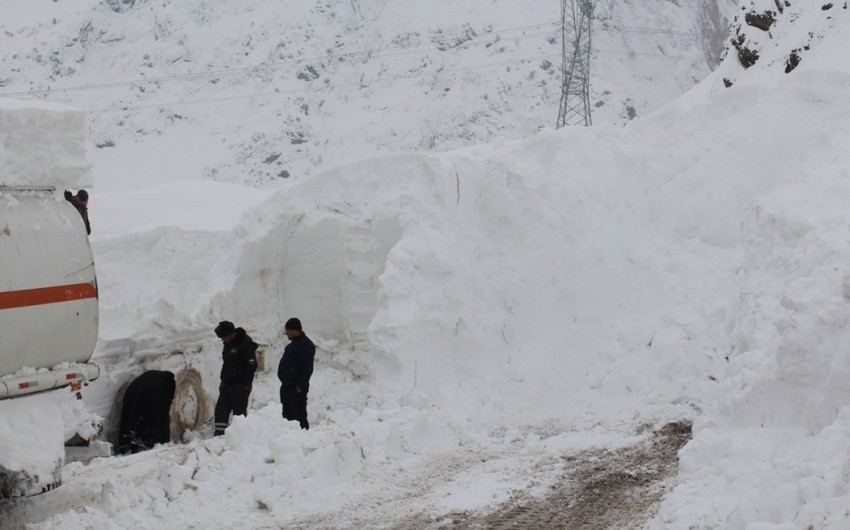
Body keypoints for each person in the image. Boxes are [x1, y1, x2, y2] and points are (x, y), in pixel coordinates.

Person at [213, 320, 258, 436]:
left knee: (239, 413)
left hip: (239, 385)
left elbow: (252, 364)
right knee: (221, 409)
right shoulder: (228, 344)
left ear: (230, 334)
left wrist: (245, 384)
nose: (223, 340)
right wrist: (223, 380)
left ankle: (239, 436)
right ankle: (219, 433)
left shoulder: (244, 343)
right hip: (227, 384)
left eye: (223, 337)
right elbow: (227, 364)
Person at [117, 370, 176, 454]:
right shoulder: (165, 385)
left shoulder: (157, 377)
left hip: (131, 390)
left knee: (130, 416)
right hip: (149, 392)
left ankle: (126, 445)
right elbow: (162, 417)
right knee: (155, 419)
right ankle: (147, 445)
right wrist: (165, 441)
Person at [277, 317, 315, 430]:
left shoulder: (305, 345)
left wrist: (300, 385)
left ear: (295, 330)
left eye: (287, 331)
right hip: (287, 387)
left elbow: (307, 368)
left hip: (295, 388)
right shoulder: (292, 345)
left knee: (298, 416)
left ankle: (303, 438)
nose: (286, 334)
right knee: (287, 417)